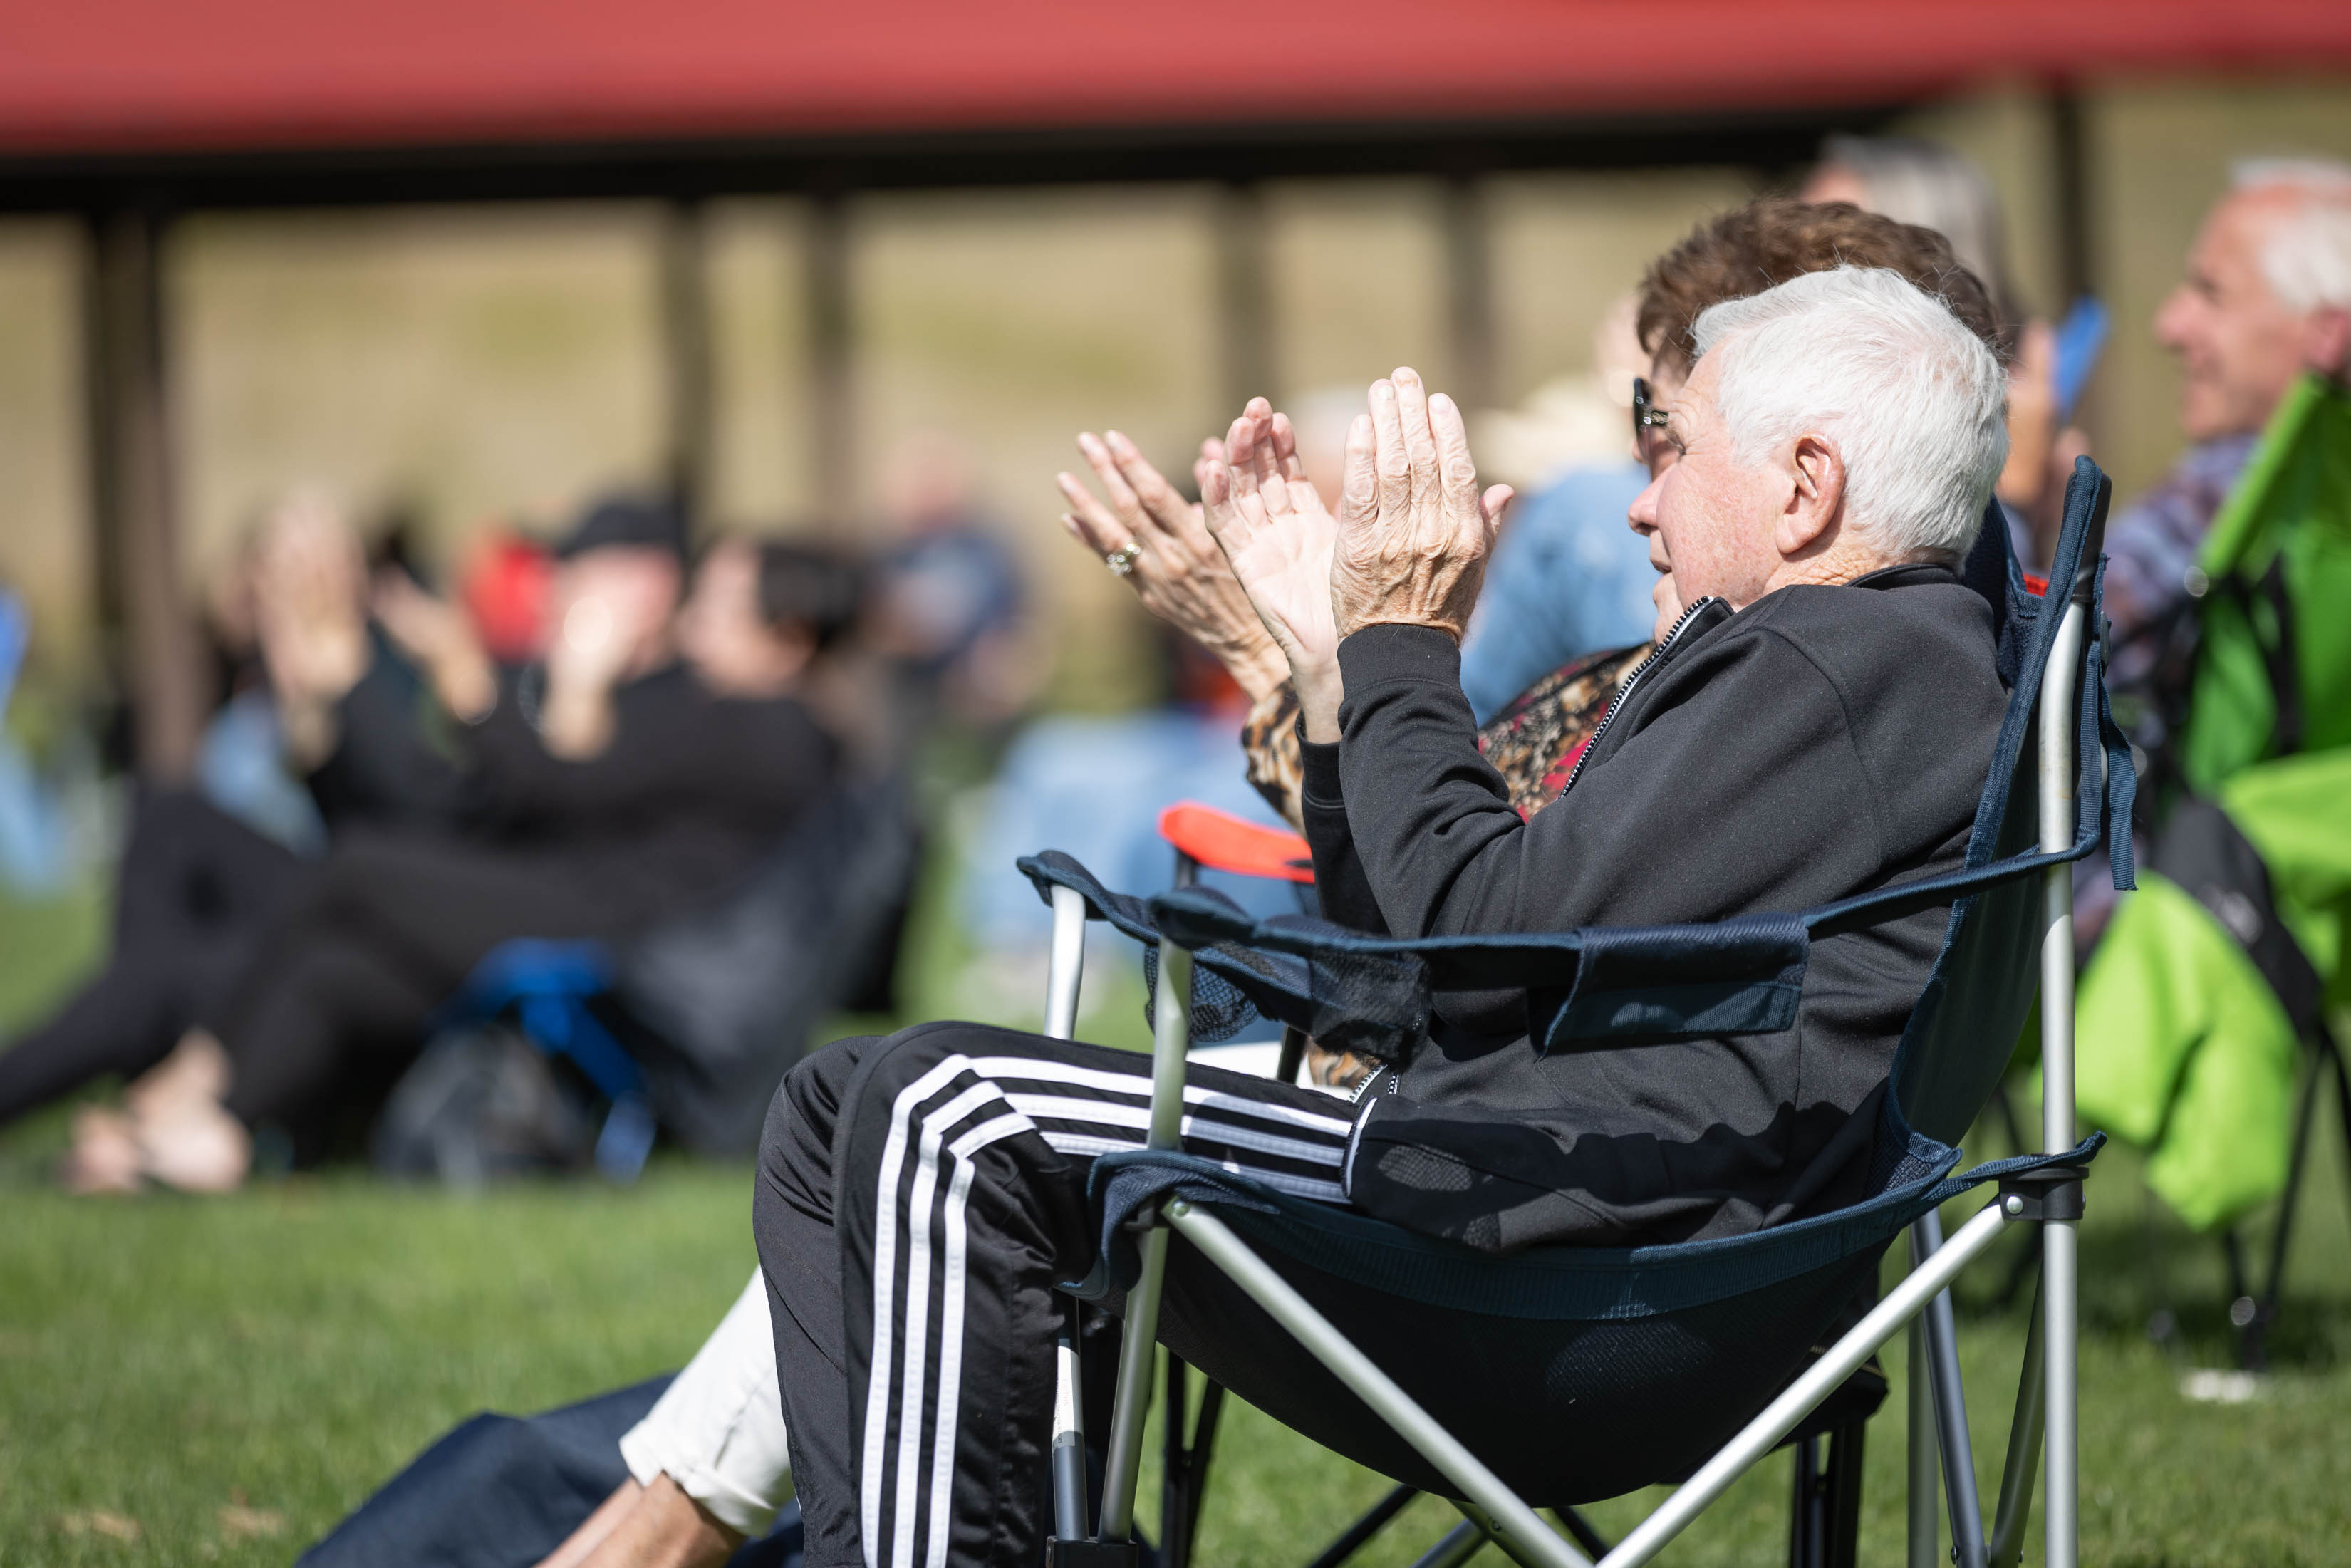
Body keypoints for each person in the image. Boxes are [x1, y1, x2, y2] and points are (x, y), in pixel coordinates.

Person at [754, 264, 2010, 1566]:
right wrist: (1327, 661)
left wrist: (1401, 636)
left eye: (1672, 450)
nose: (1641, 504)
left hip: (1588, 1271)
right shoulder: (1856, 669)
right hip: (1566, 1209)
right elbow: (1433, 965)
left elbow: (1481, 944)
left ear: (1806, 486)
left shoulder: (1833, 662)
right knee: (835, 1104)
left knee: (942, 1106)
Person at [67, 512, 851, 1193]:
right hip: (595, 909)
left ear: (789, 638)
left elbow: (561, 789)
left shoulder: (765, 727)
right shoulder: (749, 721)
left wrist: (467, 678)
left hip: (614, 935)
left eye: (719, 608)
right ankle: (223, 1138)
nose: (692, 621)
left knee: (363, 865)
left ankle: (193, 1082)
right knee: (342, 968)